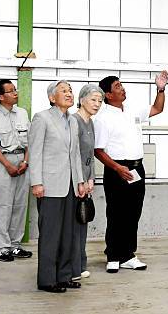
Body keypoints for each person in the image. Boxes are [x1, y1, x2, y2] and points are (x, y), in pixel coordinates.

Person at [95, 71, 168, 273]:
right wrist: (118, 168)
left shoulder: (132, 110)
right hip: (116, 169)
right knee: (115, 212)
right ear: (108, 94)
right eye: (117, 86)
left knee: (133, 212)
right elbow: (98, 151)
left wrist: (160, 88)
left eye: (121, 85)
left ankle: (128, 255)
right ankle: (113, 255)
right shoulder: (102, 118)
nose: (122, 88)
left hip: (137, 168)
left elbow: (157, 108)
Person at [28, 80, 86, 293]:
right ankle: (46, 280)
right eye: (64, 91)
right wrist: (36, 182)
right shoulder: (42, 118)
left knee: (68, 234)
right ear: (52, 97)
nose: (69, 94)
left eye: (70, 90)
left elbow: (75, 154)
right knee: (51, 234)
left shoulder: (72, 121)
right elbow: (35, 152)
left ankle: (64, 276)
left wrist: (80, 181)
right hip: (49, 185)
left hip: (70, 185)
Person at [0, 79, 33, 262]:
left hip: (23, 162)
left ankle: (15, 245)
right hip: (3, 162)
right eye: (11, 91)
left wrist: (26, 161)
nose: (15, 93)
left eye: (15, 90)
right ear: (1, 96)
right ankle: (2, 248)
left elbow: (29, 140)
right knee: (3, 205)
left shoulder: (22, 113)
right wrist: (7, 165)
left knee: (20, 205)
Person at [71, 84, 104, 280]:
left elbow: (89, 155)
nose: (97, 104)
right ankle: (73, 266)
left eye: (100, 101)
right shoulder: (73, 121)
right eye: (93, 99)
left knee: (82, 223)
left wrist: (92, 178)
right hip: (75, 182)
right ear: (82, 99)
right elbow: (73, 155)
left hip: (86, 182)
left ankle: (80, 263)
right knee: (74, 227)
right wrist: (81, 181)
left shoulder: (90, 122)